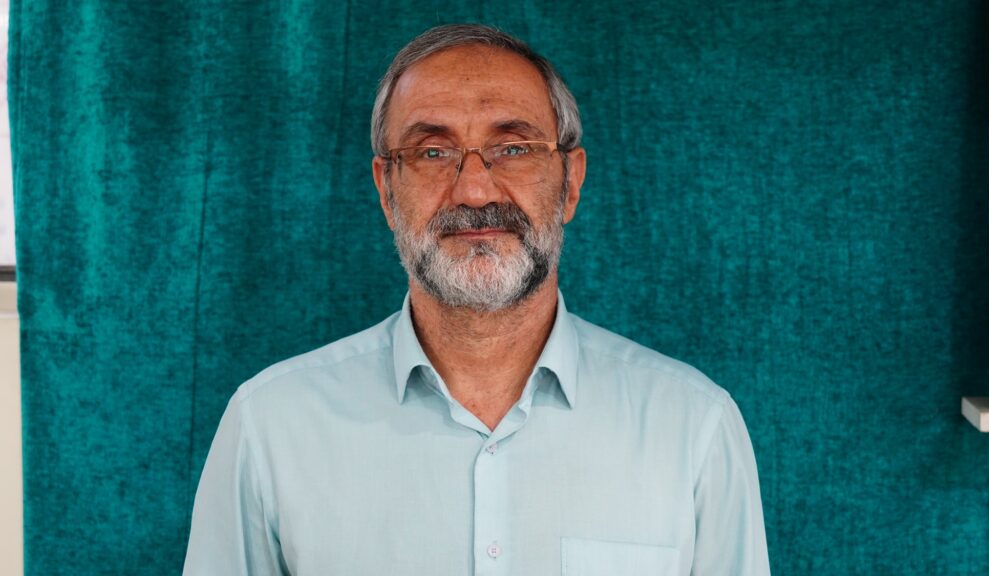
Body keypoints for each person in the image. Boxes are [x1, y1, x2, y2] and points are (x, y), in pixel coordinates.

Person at [183, 23, 770, 575]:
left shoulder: (693, 427)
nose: (474, 190)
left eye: (513, 148)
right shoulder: (271, 425)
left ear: (571, 182)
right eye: (432, 152)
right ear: (386, 191)